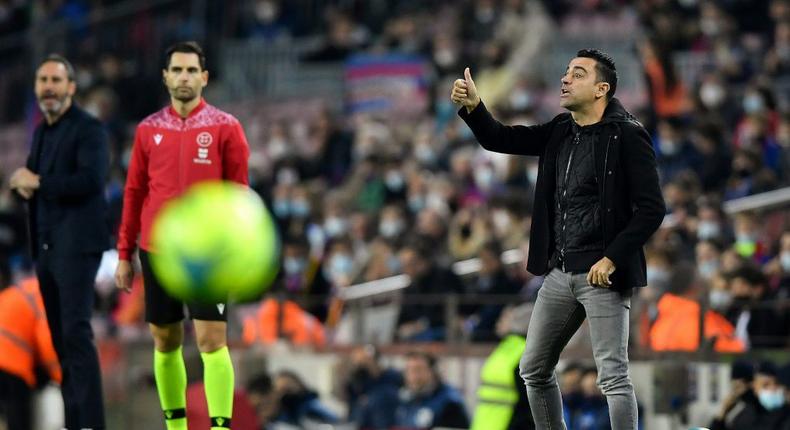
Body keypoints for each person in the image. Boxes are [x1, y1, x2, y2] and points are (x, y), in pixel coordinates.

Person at [452, 48, 665, 430]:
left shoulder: (628, 135)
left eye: (578, 74)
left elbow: (651, 209)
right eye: (566, 71)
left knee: (613, 377)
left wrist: (612, 258)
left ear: (602, 89)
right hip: (560, 271)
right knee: (532, 369)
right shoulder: (560, 130)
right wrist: (475, 107)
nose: (565, 79)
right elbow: (500, 138)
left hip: (603, 274)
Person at [114, 41, 250, 430]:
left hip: (206, 251)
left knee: (211, 341)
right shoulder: (147, 131)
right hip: (156, 250)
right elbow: (134, 193)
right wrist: (124, 253)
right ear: (166, 77)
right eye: (177, 70)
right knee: (165, 340)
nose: (184, 77)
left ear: (204, 78)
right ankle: (176, 427)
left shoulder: (226, 127)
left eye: (192, 70)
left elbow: (237, 195)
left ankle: (220, 427)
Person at [9, 54, 109, 429]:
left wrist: (37, 183)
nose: (48, 87)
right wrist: (26, 186)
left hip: (78, 244)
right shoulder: (42, 132)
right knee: (61, 341)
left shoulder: (89, 129)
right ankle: (74, 421)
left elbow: (90, 181)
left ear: (71, 87)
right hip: (48, 247)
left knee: (75, 334)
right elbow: (41, 185)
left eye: (56, 79)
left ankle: (90, 423)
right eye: (42, 80)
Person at [0, 262, 61, 429]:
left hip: (7, 358)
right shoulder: (44, 294)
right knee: (18, 420)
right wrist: (61, 376)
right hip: (11, 362)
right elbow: (47, 339)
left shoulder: (22, 289)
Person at [471, 303, 534, 430]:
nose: (498, 323)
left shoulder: (504, 349)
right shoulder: (527, 352)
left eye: (503, 318)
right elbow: (530, 402)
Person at [393, 350, 469, 429]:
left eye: (418, 369)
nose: (413, 376)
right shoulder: (403, 399)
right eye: (408, 370)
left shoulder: (449, 401)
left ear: (432, 371)